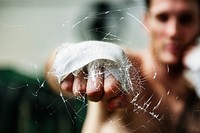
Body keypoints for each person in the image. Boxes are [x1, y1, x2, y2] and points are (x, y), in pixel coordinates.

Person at [45, 0, 200, 132]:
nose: (173, 31)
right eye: (162, 18)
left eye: (185, 19)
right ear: (147, 22)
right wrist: (70, 60)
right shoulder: (124, 66)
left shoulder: (194, 99)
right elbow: (52, 69)